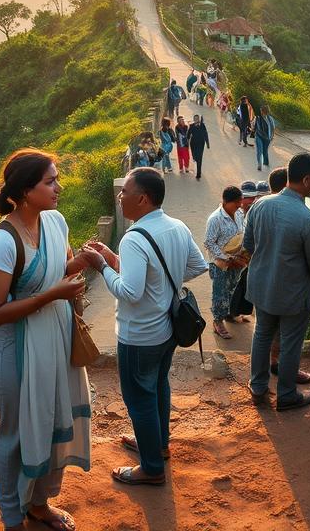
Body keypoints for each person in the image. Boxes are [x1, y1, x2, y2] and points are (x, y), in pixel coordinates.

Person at [0, 150, 92, 531]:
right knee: (16, 432)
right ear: (26, 191)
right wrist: (51, 296)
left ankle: (40, 504)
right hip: (16, 350)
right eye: (50, 181)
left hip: (56, 338)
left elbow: (57, 270)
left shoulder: (56, 222)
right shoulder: (3, 240)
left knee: (51, 421)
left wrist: (82, 264)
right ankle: (13, 515)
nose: (58, 187)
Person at [81, 168, 208, 486]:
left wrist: (101, 267)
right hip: (166, 329)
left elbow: (129, 291)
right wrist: (114, 259)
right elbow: (197, 265)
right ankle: (158, 444)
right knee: (158, 386)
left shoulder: (135, 238)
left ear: (142, 198)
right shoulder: (175, 226)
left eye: (124, 192)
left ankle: (152, 468)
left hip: (139, 335)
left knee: (139, 398)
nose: (120, 198)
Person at [244, 153, 310, 411]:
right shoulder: (309, 219)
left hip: (261, 286)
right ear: (305, 179)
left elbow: (248, 244)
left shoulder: (260, 205)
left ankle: (258, 389)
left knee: (262, 335)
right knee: (291, 343)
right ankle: (287, 394)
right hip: (293, 293)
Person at [204, 186, 246, 339]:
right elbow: (209, 242)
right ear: (225, 202)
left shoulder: (239, 214)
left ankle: (230, 314)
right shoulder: (215, 219)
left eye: (240, 202)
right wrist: (226, 257)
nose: (239, 205)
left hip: (237, 261)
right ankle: (218, 322)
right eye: (236, 203)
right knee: (220, 293)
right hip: (220, 263)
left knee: (233, 289)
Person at [253, 104, 275, 171]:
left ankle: (266, 162)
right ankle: (259, 164)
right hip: (258, 136)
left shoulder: (270, 119)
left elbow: (273, 128)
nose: (261, 112)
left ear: (264, 111)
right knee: (259, 150)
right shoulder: (257, 118)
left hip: (267, 138)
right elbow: (254, 126)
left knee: (265, 151)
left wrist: (271, 136)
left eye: (262, 110)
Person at [188, 114, 210, 180]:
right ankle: (195, 158)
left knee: (199, 159)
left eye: (197, 118)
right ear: (193, 119)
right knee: (195, 157)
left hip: (201, 144)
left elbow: (206, 134)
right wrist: (186, 142)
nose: (196, 120)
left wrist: (208, 143)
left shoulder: (202, 125)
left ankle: (198, 174)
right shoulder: (191, 126)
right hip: (193, 144)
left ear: (199, 119)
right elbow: (188, 135)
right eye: (195, 118)